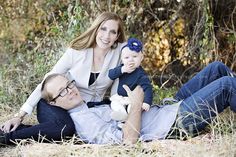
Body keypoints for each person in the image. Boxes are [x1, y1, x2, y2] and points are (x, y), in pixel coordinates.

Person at [33, 61, 236, 144]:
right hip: (175, 123)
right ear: (54, 103)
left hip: (166, 107)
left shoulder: (86, 106)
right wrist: (136, 102)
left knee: (216, 68)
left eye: (68, 84)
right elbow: (127, 142)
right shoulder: (85, 123)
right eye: (62, 91)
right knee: (226, 86)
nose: (70, 90)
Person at [0, 12, 126, 143]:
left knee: (74, 135)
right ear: (96, 29)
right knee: (66, 128)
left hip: (85, 108)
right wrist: (20, 115)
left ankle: (25, 130)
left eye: (112, 32)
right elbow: (47, 81)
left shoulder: (120, 55)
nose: (106, 36)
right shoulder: (77, 51)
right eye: (103, 29)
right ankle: (5, 137)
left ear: (117, 36)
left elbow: (116, 92)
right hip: (54, 102)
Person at [108, 37, 153, 121]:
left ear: (141, 58)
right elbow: (110, 75)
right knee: (114, 104)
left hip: (133, 99)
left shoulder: (140, 74)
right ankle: (121, 115)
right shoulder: (122, 68)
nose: (131, 60)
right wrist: (122, 70)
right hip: (121, 97)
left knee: (133, 109)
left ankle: (128, 117)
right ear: (122, 60)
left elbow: (148, 88)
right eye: (126, 58)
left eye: (135, 56)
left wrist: (147, 102)